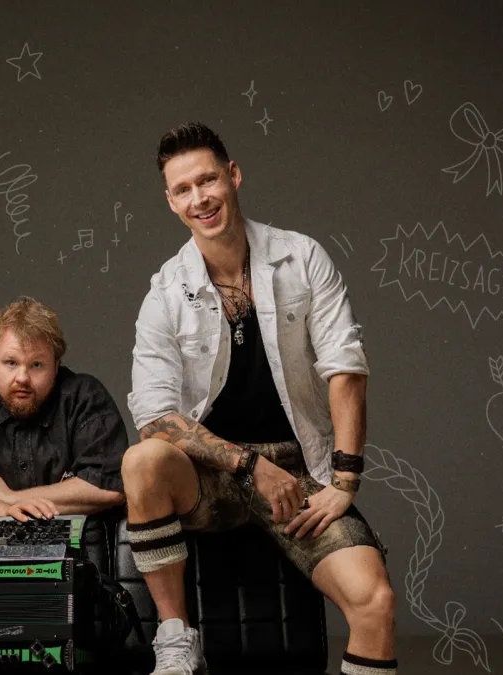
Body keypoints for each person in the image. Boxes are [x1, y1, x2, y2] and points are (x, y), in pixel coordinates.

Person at [121, 123, 396, 675]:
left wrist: (344, 481)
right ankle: (175, 638)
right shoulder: (166, 291)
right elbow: (155, 418)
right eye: (183, 189)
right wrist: (250, 466)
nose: (200, 199)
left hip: (300, 470)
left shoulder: (301, 257)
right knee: (142, 460)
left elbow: (346, 368)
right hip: (211, 474)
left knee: (375, 603)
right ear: (171, 202)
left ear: (234, 176)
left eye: (208, 180)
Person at [0, 296, 127, 518]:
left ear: (56, 366)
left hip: (82, 540)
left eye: (36, 365)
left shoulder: (84, 398)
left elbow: (108, 487)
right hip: (1, 541)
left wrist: (8, 498)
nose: (22, 378)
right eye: (11, 363)